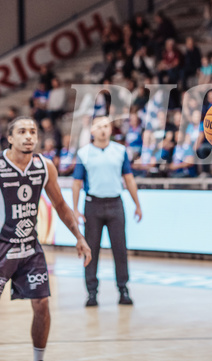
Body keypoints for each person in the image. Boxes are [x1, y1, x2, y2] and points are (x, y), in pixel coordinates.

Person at [0, 117, 92, 361]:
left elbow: (61, 205)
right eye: (22, 132)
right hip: (2, 247)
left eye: (32, 131)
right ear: (10, 138)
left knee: (42, 304)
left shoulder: (44, 166)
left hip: (30, 247)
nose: (29, 136)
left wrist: (79, 237)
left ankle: (38, 359)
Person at [72, 116, 143, 307]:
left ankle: (123, 289)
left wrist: (137, 204)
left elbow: (128, 179)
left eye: (106, 126)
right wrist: (75, 209)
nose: (103, 130)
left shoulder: (120, 151)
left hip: (115, 204)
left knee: (120, 249)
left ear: (111, 130)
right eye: (99, 127)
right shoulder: (83, 153)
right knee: (90, 250)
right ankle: (92, 293)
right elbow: (77, 183)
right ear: (92, 131)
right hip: (92, 205)